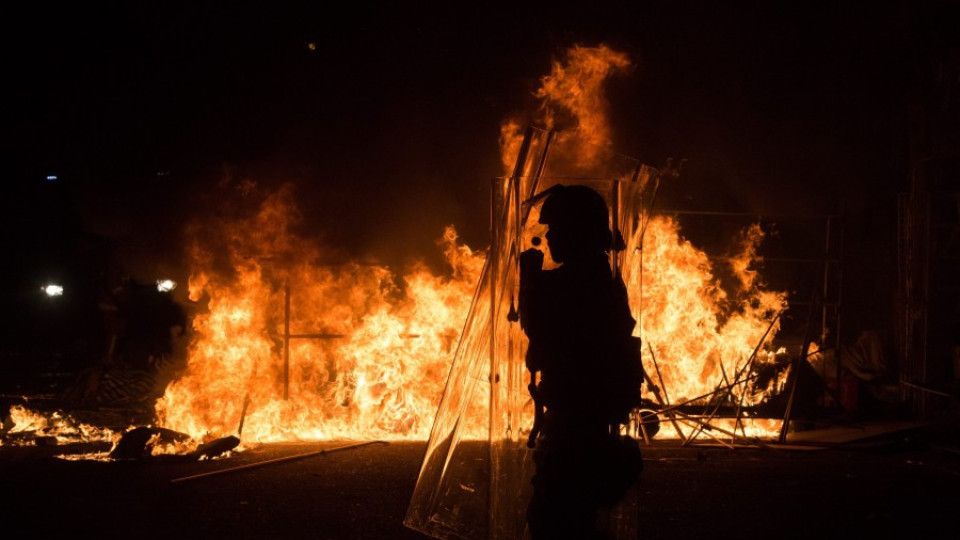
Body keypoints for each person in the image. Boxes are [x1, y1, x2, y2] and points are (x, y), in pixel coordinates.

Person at [519, 184, 644, 540]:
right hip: (580, 416)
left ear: (577, 232)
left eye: (556, 229)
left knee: (556, 515)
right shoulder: (594, 276)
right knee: (566, 513)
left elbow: (542, 331)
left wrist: (529, 282)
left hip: (577, 418)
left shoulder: (583, 281)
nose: (550, 237)